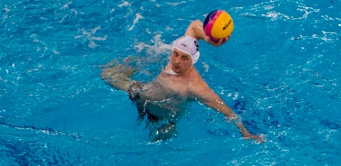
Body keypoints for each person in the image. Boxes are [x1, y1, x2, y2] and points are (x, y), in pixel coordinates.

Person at [100, 23, 264, 141]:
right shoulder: (178, 56)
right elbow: (194, 26)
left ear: (193, 60)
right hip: (138, 93)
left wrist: (245, 133)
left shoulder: (194, 86)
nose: (176, 61)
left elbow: (225, 110)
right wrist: (208, 39)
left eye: (184, 58)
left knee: (155, 148)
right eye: (175, 54)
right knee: (106, 74)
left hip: (163, 120)